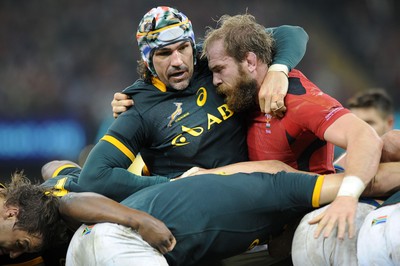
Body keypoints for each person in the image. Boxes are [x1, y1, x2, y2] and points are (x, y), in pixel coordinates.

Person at [78, 6, 308, 203]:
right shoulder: (137, 108)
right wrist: (171, 183)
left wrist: (280, 69)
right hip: (196, 209)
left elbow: (293, 34)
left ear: (192, 45)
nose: (177, 61)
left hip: (260, 186)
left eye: (182, 48)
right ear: (148, 60)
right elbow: (94, 177)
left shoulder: (211, 60)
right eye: (164, 53)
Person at [200, 14, 383, 240]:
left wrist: (347, 196)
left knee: (390, 145)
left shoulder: (295, 100)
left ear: (249, 62)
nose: (215, 80)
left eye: (219, 69)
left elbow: (365, 137)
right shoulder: (245, 98)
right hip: (272, 223)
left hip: (309, 216)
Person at [38, 161, 398, 266]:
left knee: (354, 180)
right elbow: (56, 168)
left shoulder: (269, 191)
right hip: (217, 192)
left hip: (251, 188)